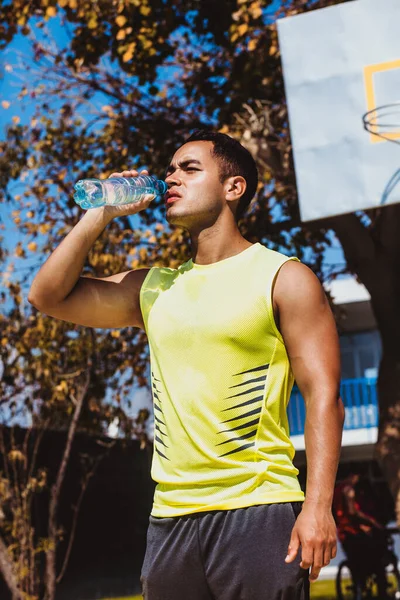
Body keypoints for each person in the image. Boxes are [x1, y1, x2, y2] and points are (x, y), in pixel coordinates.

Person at [28, 130, 345, 600]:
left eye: (189, 168)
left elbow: (324, 396)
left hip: (256, 509)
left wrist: (318, 506)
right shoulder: (154, 288)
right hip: (170, 518)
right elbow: (47, 296)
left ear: (233, 188)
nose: (171, 177)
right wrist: (100, 213)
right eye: (170, 169)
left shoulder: (283, 277)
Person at [333, 474, 389, 597]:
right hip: (353, 534)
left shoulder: (336, 489)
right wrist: (373, 523)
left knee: (356, 563)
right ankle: (381, 588)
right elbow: (352, 512)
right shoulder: (348, 489)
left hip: (344, 534)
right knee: (376, 558)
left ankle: (362, 584)